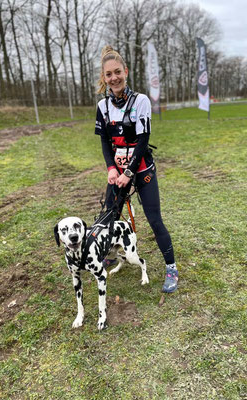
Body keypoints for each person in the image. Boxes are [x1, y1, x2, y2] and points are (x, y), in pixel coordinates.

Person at [94, 45, 178, 293]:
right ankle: (109, 254)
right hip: (117, 173)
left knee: (154, 220)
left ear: (126, 71)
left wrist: (128, 174)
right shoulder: (102, 107)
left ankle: (171, 268)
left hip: (141, 170)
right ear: (104, 78)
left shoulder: (140, 101)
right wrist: (111, 169)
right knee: (108, 217)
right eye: (108, 75)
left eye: (117, 72)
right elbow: (104, 142)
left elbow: (143, 141)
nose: (114, 78)